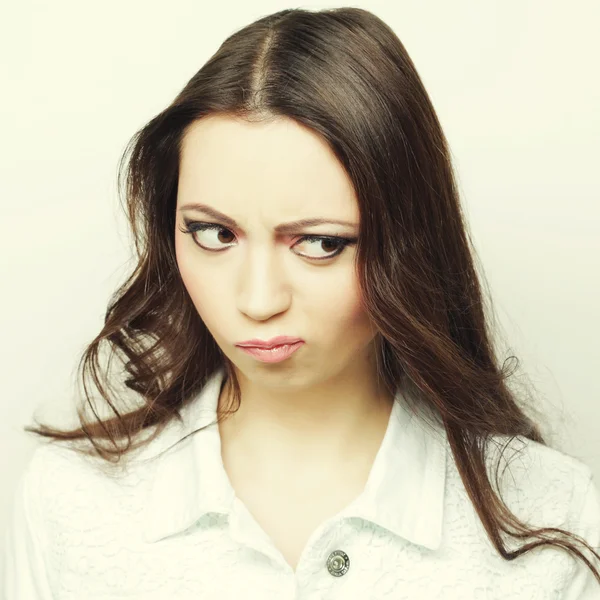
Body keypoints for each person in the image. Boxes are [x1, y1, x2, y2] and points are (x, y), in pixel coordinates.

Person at [3, 6, 599, 599]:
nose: (258, 300)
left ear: (409, 245)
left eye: (319, 243)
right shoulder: (71, 504)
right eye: (214, 234)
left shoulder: (556, 520)